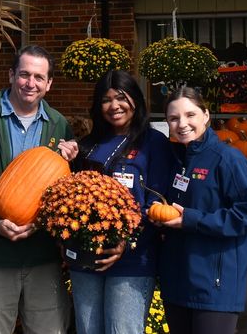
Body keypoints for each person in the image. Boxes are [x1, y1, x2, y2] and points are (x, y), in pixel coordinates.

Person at [0, 44, 76, 334]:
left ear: (49, 84)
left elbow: (66, 196)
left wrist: (73, 162)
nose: (30, 83)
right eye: (24, 74)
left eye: (38, 77)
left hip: (42, 256)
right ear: (11, 75)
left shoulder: (59, 126)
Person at [69, 69, 176, 334]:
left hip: (132, 262)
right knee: (88, 329)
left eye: (121, 97)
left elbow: (157, 204)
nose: (114, 106)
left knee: (122, 329)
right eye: (106, 100)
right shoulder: (87, 145)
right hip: (86, 260)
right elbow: (70, 200)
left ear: (136, 100)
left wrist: (125, 243)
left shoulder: (154, 143)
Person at [156, 86, 247, 334]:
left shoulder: (228, 160)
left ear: (206, 115)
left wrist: (191, 220)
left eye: (190, 115)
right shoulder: (175, 160)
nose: (182, 124)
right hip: (177, 282)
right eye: (174, 118)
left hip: (215, 285)